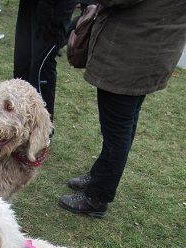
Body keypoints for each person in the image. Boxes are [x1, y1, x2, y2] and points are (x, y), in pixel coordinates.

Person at [59, 0, 186, 218]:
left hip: (133, 51)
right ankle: (100, 175)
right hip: (148, 46)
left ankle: (97, 196)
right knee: (124, 125)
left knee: (118, 130)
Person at [14, 0, 76, 121]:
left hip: (52, 12)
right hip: (30, 8)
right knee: (22, 67)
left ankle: (43, 127)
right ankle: (21, 119)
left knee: (40, 71)